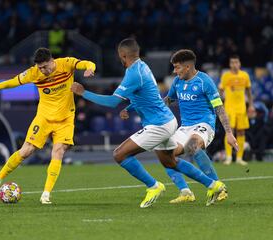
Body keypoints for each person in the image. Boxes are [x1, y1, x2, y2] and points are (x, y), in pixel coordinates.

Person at [71, 38, 226, 208]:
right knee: (169, 161)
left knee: (119, 154)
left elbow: (112, 102)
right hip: (168, 121)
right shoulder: (142, 66)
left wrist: (83, 92)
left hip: (159, 124)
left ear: (122, 55)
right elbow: (149, 97)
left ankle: (153, 186)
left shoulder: (133, 73)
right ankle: (213, 185)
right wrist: (129, 108)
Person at [0, 47, 96, 204]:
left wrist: (90, 68)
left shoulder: (66, 63)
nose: (42, 70)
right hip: (44, 118)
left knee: (58, 151)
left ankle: (46, 194)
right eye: (39, 67)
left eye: (44, 66)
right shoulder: (34, 72)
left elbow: (87, 63)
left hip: (65, 119)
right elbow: (13, 81)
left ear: (52, 60)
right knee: (26, 151)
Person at [149, 49, 238, 203]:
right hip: (185, 127)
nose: (175, 71)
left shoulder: (205, 81)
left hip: (204, 125)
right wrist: (152, 109)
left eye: (177, 67)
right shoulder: (177, 82)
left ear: (188, 67)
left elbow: (219, 108)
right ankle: (185, 192)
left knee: (192, 146)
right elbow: (168, 101)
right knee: (165, 153)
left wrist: (229, 133)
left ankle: (218, 187)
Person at [219, 55, 255, 165]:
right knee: (230, 131)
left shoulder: (245, 76)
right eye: (232, 62)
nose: (234, 64)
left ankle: (239, 158)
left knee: (241, 131)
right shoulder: (225, 76)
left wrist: (251, 105)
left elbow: (249, 92)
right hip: (229, 108)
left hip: (242, 108)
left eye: (236, 62)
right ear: (230, 64)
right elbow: (220, 91)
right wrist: (219, 106)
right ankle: (229, 157)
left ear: (239, 64)